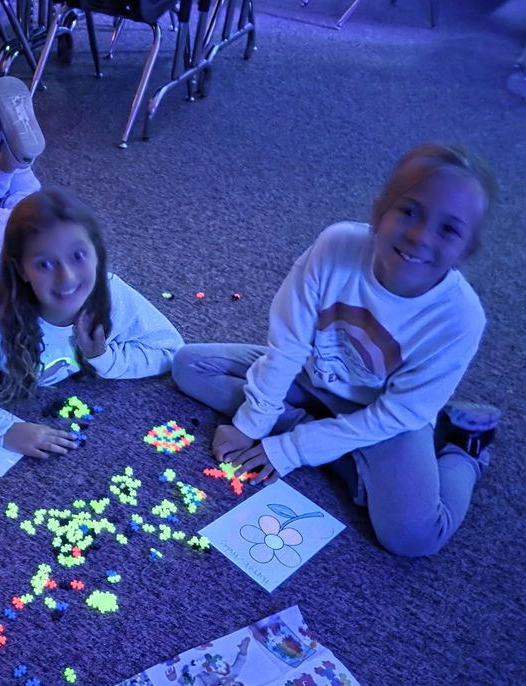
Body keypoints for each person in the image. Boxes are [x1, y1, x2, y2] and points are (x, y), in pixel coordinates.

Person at [172, 144, 498, 558]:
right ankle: (338, 452)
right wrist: (252, 425)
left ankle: (465, 447)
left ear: (467, 250)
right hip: (313, 376)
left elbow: (396, 415)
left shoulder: (460, 319)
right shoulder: (335, 246)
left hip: (390, 418)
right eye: (409, 211)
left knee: (415, 538)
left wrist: (290, 449)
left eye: (448, 230)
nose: (420, 236)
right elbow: (288, 343)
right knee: (189, 365)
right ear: (379, 211)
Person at [0, 59, 183, 459]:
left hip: (30, 235)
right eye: (46, 265)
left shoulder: (109, 292)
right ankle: (9, 159)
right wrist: (7, 430)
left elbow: (170, 350)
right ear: (21, 269)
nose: (68, 277)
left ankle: (13, 157)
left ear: (98, 255)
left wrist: (103, 357)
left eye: (78, 256)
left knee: (18, 202)